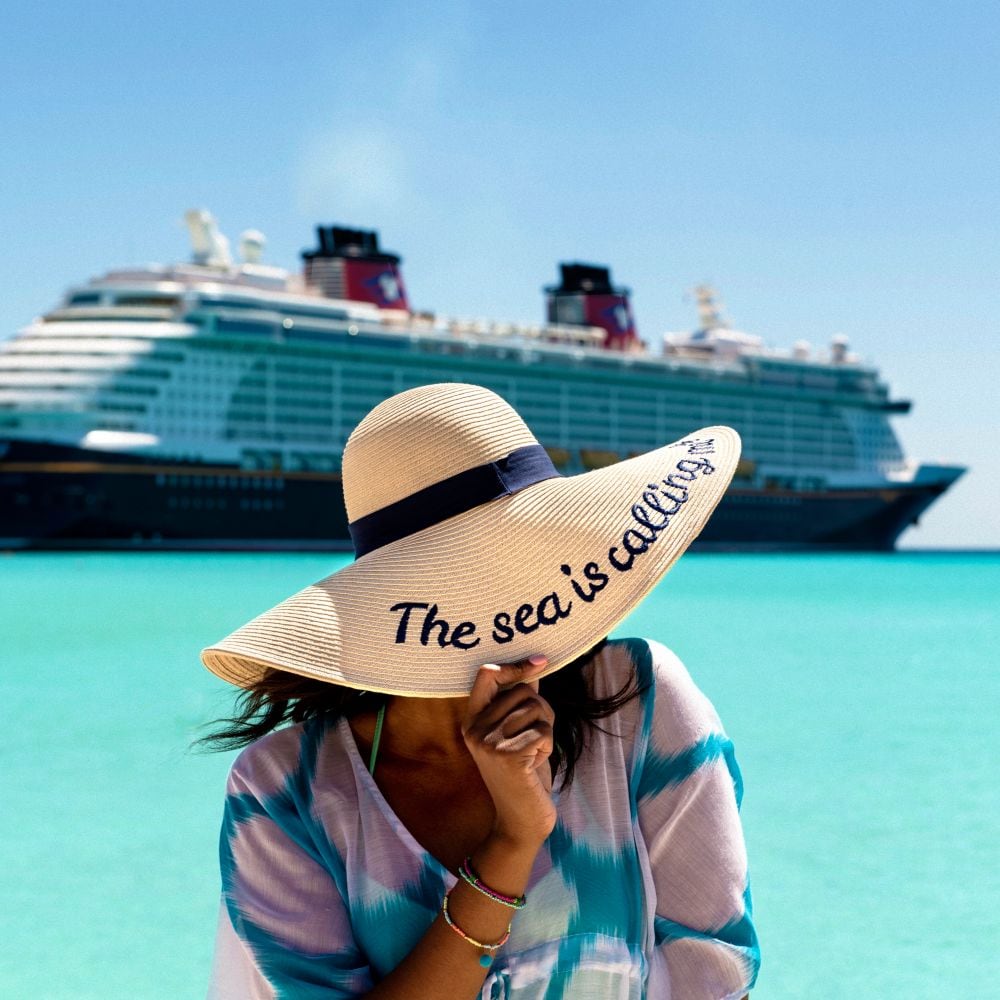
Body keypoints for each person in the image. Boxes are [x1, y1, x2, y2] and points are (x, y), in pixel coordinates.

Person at [200, 383, 760, 999]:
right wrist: (512, 841)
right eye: (494, 568)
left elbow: (715, 972)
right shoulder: (286, 789)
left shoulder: (640, 701)